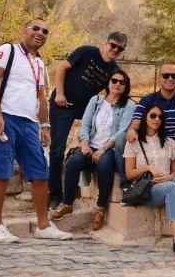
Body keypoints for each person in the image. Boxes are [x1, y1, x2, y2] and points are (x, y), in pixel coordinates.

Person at [0, 19, 73, 243]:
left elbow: (41, 95)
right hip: (6, 119)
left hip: (29, 123)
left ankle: (44, 225)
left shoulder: (39, 62)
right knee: (2, 173)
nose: (40, 33)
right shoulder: (8, 50)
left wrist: (44, 125)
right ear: (25, 31)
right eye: (36, 28)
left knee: (40, 173)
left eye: (45, 31)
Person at [46, 32, 126, 209]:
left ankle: (88, 161)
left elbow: (116, 89)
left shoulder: (113, 69)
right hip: (63, 103)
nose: (115, 50)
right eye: (113, 45)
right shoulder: (87, 51)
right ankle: (55, 194)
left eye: (119, 49)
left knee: (103, 129)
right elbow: (61, 68)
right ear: (106, 43)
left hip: (85, 107)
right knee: (57, 150)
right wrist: (59, 93)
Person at [50, 68, 135, 231]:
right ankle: (67, 203)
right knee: (74, 161)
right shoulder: (96, 100)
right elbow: (86, 124)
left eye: (122, 82)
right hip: (91, 145)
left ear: (126, 86)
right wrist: (84, 144)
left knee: (104, 164)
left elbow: (122, 131)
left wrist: (103, 149)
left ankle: (101, 208)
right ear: (108, 83)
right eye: (114, 81)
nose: (117, 84)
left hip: (110, 148)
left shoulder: (128, 105)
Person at [123, 104, 175, 259]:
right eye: (153, 115)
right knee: (172, 188)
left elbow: (174, 171)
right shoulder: (134, 142)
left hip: (167, 183)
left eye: (160, 117)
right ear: (145, 117)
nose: (157, 119)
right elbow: (129, 174)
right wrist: (148, 168)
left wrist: (169, 176)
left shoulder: (168, 142)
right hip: (148, 190)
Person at [121, 64, 175, 181]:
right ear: (159, 78)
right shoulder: (147, 99)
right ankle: (126, 183)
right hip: (153, 138)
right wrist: (131, 130)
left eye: (174, 75)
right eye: (166, 75)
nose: (170, 79)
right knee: (121, 140)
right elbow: (136, 121)